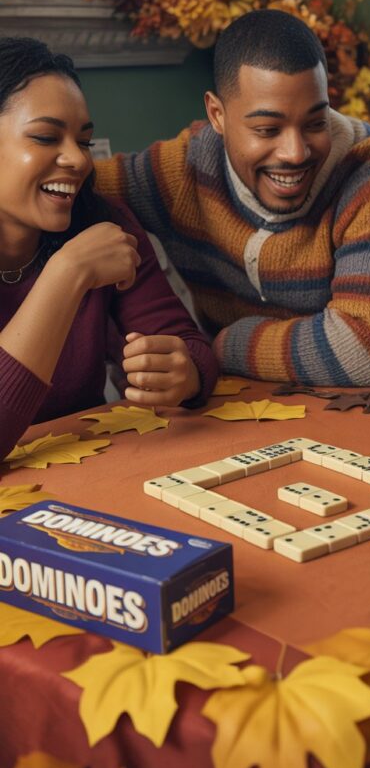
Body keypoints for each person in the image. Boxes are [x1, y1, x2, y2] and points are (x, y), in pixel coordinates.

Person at [95, 9, 370, 386]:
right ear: (217, 115)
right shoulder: (184, 169)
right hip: (233, 413)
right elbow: (69, 187)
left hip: (361, 417)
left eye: (316, 123)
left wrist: (224, 347)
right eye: (268, 129)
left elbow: (366, 350)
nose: (296, 152)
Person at [0, 37, 218, 462]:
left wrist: (184, 374)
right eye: (46, 137)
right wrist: (67, 274)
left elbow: (189, 346)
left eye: (82, 141)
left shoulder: (103, 223)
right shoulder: (83, 255)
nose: (78, 161)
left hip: (84, 480)